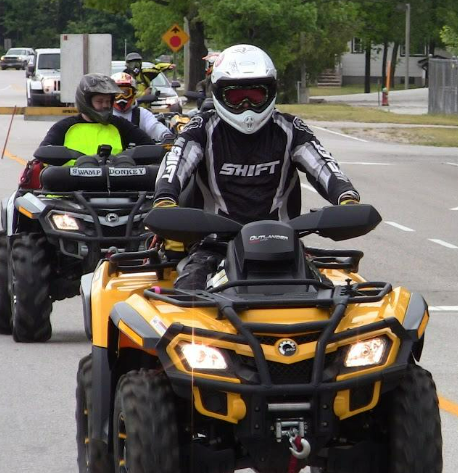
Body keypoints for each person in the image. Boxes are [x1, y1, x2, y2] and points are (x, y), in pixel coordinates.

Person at [153, 43, 360, 290]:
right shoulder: (201, 128)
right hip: (214, 246)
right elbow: (176, 163)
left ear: (270, 92)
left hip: (284, 245)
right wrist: (165, 199)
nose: (246, 106)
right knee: (186, 301)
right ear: (219, 94)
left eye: (255, 95)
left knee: (330, 298)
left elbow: (324, 165)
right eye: (237, 97)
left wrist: (346, 197)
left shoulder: (291, 129)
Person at [39, 73, 153, 155]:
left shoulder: (120, 125)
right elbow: (44, 151)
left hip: (115, 185)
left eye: (108, 101)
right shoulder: (64, 127)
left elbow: (148, 146)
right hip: (71, 186)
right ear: (85, 101)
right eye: (99, 101)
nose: (105, 105)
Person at [111, 72, 174, 143]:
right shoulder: (106, 113)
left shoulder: (141, 113)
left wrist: (165, 135)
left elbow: (154, 126)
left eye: (126, 93)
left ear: (134, 93)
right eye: (117, 93)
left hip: (137, 153)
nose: (121, 97)